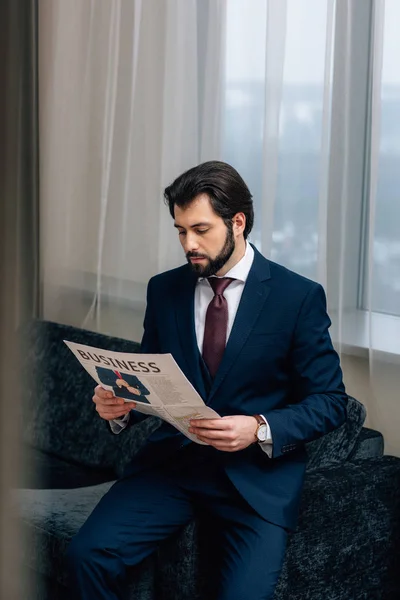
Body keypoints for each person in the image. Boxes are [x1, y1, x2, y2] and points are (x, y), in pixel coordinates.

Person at [66, 161, 348, 600]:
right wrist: (119, 408)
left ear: (238, 222)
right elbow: (152, 376)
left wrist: (257, 427)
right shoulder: (164, 290)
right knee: (86, 555)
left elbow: (331, 401)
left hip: (255, 480)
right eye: (180, 231)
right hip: (172, 468)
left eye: (200, 229)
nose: (188, 244)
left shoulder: (297, 297)